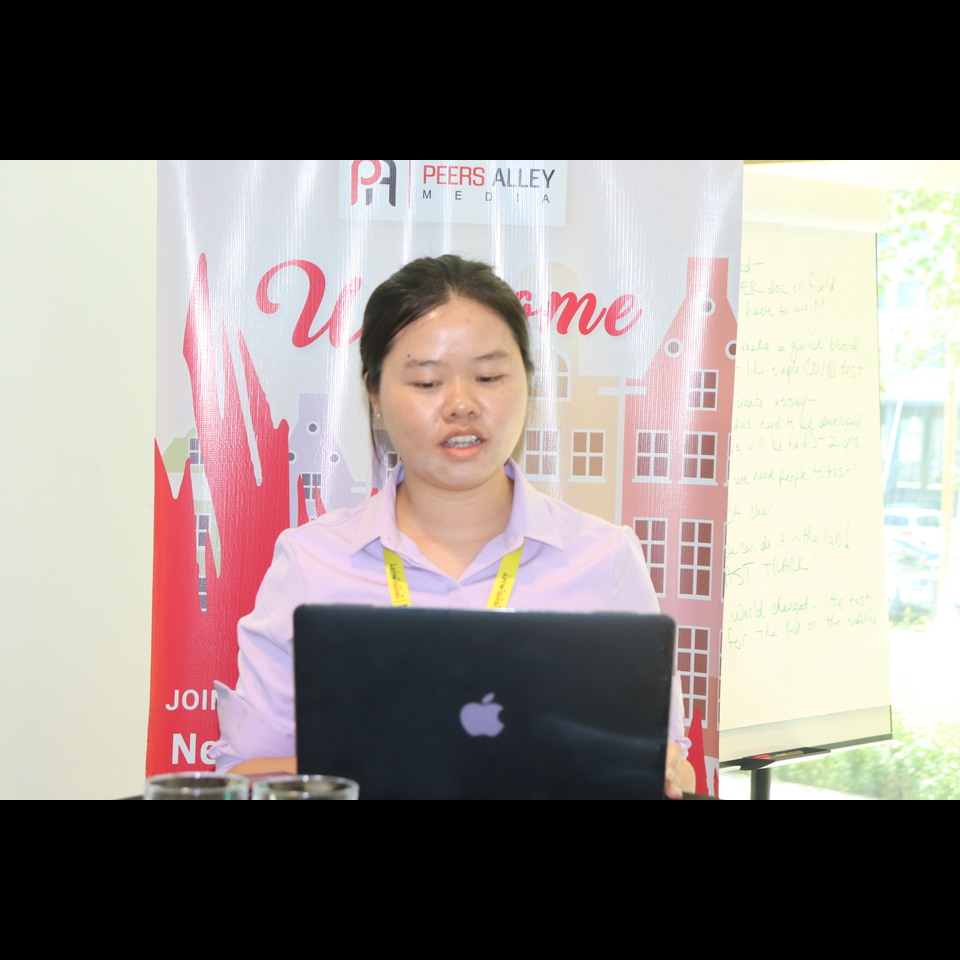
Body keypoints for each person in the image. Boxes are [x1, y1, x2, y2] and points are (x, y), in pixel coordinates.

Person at [210, 255, 695, 798]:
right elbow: (243, 773)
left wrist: (659, 771)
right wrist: (399, 759)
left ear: (528, 383)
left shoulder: (604, 559)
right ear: (374, 394)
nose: (461, 404)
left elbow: (674, 768)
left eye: (489, 377)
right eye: (427, 382)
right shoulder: (311, 562)